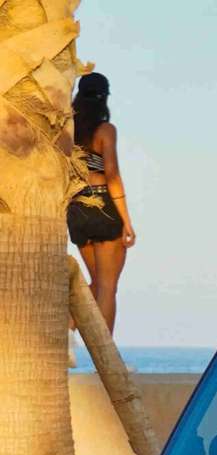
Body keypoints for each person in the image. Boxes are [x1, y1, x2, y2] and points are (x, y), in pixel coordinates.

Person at [66, 72, 135, 331]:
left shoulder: (67, 131)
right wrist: (127, 223)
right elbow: (112, 174)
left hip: (76, 208)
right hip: (102, 204)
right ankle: (105, 353)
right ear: (104, 98)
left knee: (96, 283)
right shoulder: (105, 130)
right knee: (107, 287)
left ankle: (66, 329)